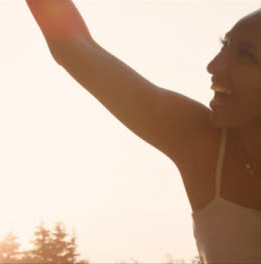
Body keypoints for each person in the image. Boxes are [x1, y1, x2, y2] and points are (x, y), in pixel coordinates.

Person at [27, 1, 261, 263]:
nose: (214, 66)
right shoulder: (201, 142)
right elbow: (75, 48)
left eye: (245, 55)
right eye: (224, 45)